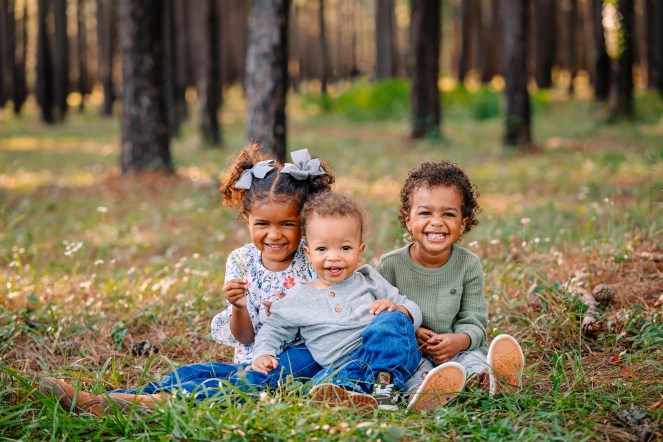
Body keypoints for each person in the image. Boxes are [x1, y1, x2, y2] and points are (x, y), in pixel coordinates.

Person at [38, 145, 335, 416]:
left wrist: (295, 310)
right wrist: (239, 307)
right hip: (248, 359)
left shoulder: (311, 260)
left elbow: (331, 320)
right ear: (246, 218)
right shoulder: (242, 262)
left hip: (298, 358)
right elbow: (244, 338)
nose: (274, 234)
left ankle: (166, 404)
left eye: (287, 224)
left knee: (251, 383)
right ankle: (111, 401)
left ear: (304, 222)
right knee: (196, 372)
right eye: (262, 224)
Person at [250, 191, 422, 410]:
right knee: (325, 383)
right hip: (341, 365)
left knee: (391, 321)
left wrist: (399, 309)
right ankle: (356, 395)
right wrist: (263, 353)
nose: (334, 257)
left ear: (360, 252)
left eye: (345, 248)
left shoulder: (369, 279)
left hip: (381, 358)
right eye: (322, 249)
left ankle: (383, 390)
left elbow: (411, 306)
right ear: (309, 253)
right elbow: (273, 328)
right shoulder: (298, 298)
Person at [376, 161, 525, 413]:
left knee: (475, 359)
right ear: (408, 219)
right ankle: (424, 393)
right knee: (411, 370)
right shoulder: (390, 265)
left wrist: (459, 340)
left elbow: (475, 320)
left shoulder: (468, 264)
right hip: (413, 352)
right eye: (425, 213)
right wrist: (413, 331)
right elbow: (382, 320)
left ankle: (487, 381)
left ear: (463, 223)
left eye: (448, 214)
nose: (437, 222)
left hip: (456, 350)